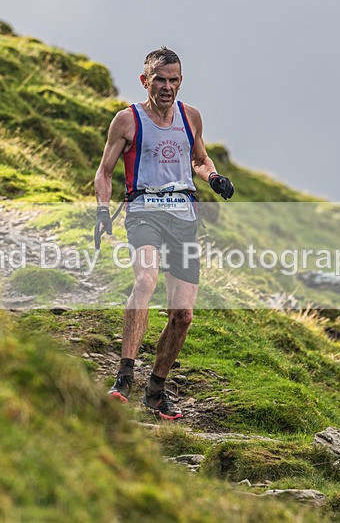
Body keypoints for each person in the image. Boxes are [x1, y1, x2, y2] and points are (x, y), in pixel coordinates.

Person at [93, 47, 234, 420]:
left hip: (183, 218)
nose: (167, 87)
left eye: (173, 80)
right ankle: (124, 376)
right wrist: (102, 210)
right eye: (159, 80)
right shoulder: (127, 120)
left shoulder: (191, 118)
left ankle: (155, 390)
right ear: (145, 81)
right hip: (144, 212)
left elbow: (200, 159)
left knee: (183, 314)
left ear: (181, 81)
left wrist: (214, 177)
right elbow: (104, 172)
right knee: (145, 281)